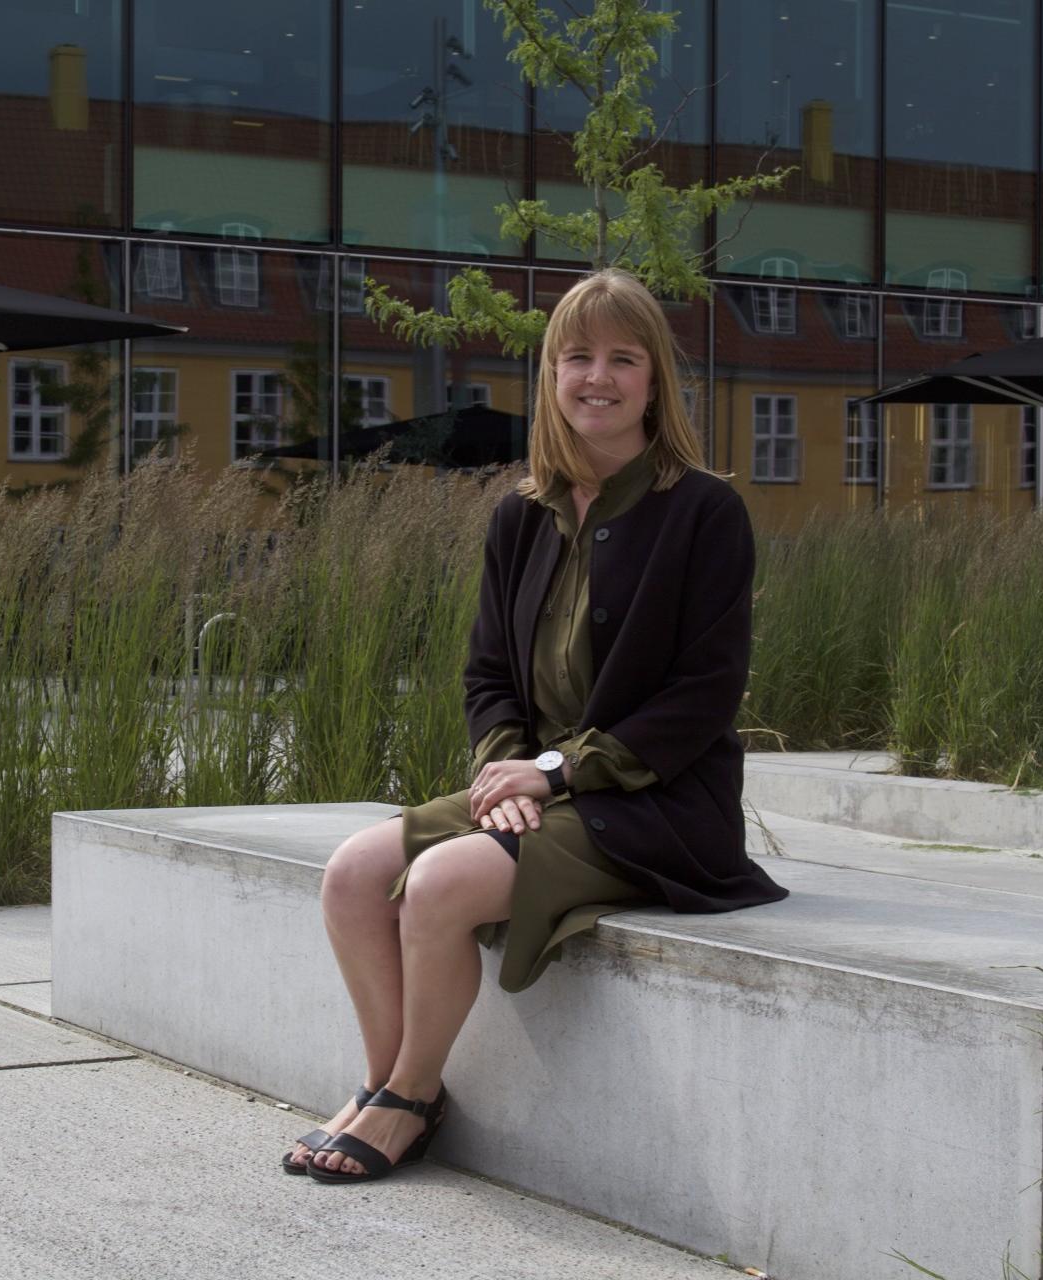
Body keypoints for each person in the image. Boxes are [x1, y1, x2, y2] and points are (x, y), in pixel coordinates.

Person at [284, 269, 788, 1185]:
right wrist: (504, 771)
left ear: (653, 380)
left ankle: (407, 1097)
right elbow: (486, 674)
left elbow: (704, 694)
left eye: (622, 358)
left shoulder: (706, 511)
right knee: (353, 874)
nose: (599, 376)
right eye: (577, 356)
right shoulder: (522, 512)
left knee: (436, 884)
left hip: (655, 803)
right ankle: (384, 1083)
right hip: (533, 790)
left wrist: (553, 777)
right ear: (552, 375)